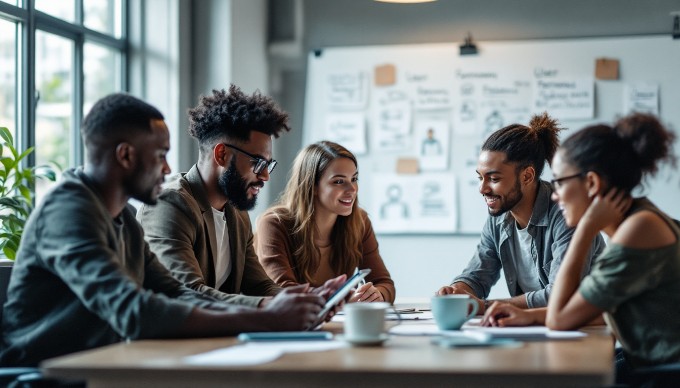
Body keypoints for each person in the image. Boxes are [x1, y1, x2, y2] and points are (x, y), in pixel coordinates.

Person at [0, 93, 338, 367]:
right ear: (126, 155)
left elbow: (175, 292)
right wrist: (265, 319)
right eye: (160, 155)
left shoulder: (125, 218)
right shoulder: (68, 211)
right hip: (41, 374)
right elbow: (133, 311)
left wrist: (285, 307)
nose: (166, 168)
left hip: (100, 366)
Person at [481, 113, 679, 384]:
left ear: (592, 184)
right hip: (649, 365)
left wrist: (585, 230)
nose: (555, 194)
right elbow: (595, 311)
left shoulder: (639, 228)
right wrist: (528, 316)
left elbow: (561, 319)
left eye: (561, 182)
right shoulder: (636, 221)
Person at [137, 85, 320, 307]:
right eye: (258, 162)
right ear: (222, 154)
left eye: (268, 165)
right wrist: (266, 306)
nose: (265, 176)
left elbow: (259, 286)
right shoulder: (170, 203)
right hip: (166, 339)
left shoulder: (236, 211)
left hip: (216, 335)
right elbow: (185, 292)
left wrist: (310, 299)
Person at [436, 112, 605, 314]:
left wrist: (486, 306)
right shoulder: (498, 219)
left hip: (583, 331)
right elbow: (477, 275)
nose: (483, 189)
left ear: (527, 176)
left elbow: (560, 295)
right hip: (535, 329)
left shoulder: (566, 214)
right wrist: (457, 292)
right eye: (480, 178)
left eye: (494, 179)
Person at [255, 141, 396, 303]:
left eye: (354, 178)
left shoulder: (360, 221)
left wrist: (377, 294)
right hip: (286, 324)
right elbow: (282, 291)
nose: (352, 189)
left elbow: (384, 282)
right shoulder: (274, 224)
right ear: (312, 186)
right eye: (338, 181)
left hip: (333, 323)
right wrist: (342, 298)